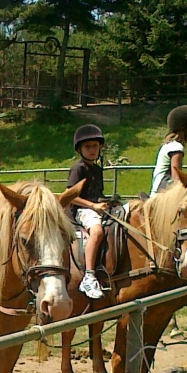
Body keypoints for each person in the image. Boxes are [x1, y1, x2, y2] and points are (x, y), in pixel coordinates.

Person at [67, 124, 107, 300]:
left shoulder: (97, 170)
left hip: (93, 207)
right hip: (80, 210)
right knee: (97, 231)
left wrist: (105, 202)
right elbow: (70, 196)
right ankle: (89, 276)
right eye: (87, 147)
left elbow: (97, 195)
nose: (92, 150)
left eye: (95, 146)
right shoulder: (78, 169)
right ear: (80, 150)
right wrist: (93, 206)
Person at [150, 104, 187, 197]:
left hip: (158, 193)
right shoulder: (176, 148)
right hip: (163, 196)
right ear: (182, 130)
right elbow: (176, 180)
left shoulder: (169, 145)